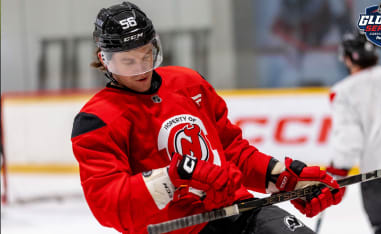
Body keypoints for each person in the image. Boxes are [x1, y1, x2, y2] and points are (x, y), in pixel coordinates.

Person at [71, 2, 344, 233]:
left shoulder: (188, 83)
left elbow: (231, 151)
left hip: (237, 211)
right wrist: (171, 178)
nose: (142, 69)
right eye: (127, 62)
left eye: (147, 56)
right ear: (104, 60)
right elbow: (109, 204)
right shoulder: (96, 120)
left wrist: (284, 177)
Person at [327, 33, 381, 234]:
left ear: (348, 58)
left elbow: (349, 138)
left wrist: (339, 174)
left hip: (380, 169)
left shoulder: (343, 91)